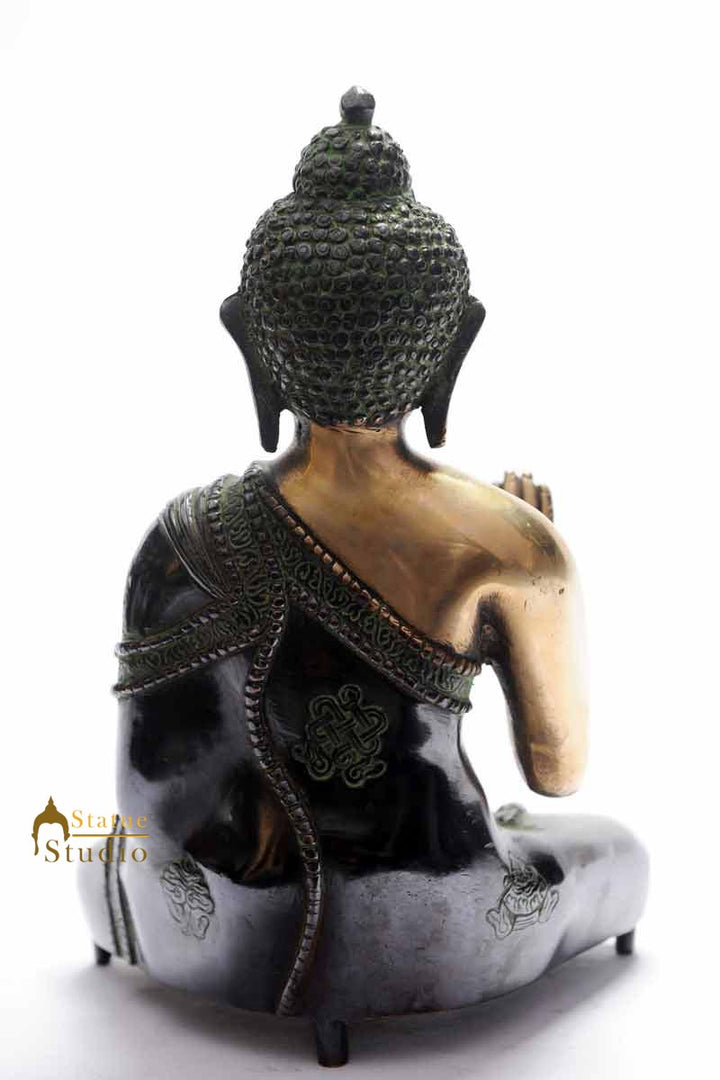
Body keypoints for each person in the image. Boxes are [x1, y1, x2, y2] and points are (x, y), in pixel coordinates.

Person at [79, 87, 648, 1068]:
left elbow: (142, 789)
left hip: (189, 911)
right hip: (424, 911)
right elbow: (557, 774)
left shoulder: (176, 536)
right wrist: (546, 557)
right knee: (613, 854)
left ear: (251, 339)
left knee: (103, 850)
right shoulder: (504, 545)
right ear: (454, 342)